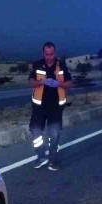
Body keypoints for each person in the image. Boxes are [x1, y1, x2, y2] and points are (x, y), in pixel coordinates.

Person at [29, 42, 72, 171]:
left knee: (54, 135)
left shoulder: (61, 65)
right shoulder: (37, 65)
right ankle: (41, 156)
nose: (49, 57)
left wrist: (58, 84)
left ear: (55, 53)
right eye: (47, 54)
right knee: (36, 132)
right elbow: (31, 82)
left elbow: (69, 83)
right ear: (43, 53)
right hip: (39, 107)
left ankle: (52, 161)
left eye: (51, 54)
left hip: (56, 107)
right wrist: (41, 81)